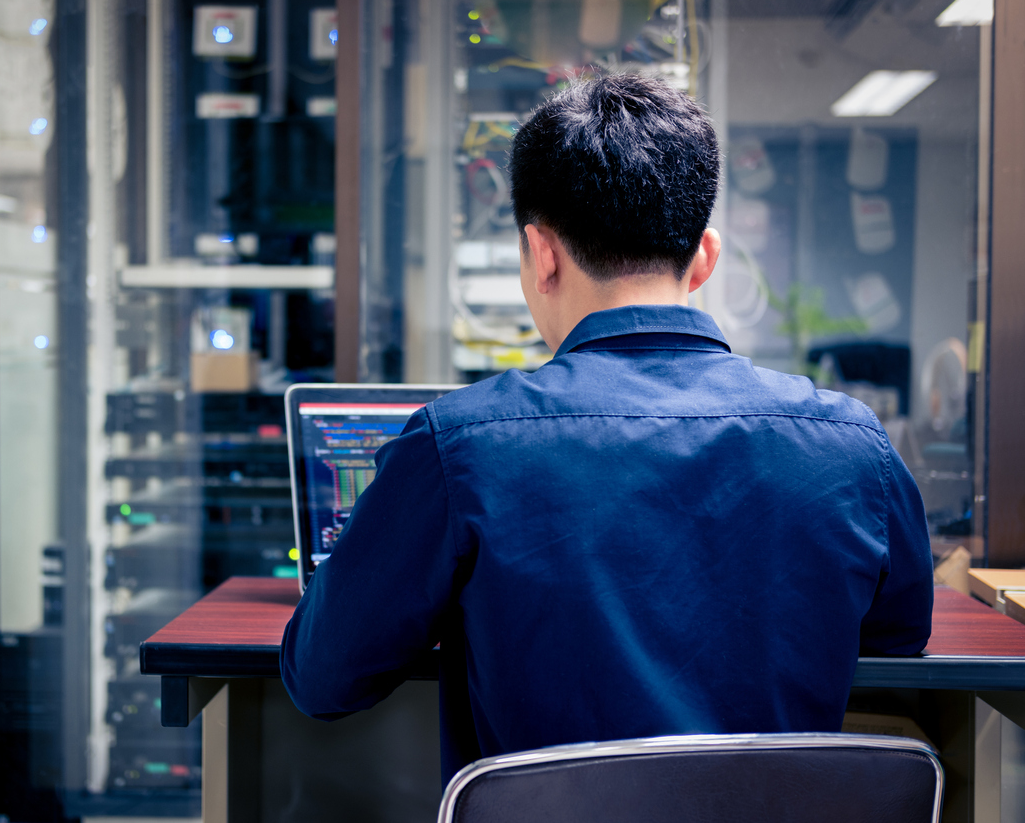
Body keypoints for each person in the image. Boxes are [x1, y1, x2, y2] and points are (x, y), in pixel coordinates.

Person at [280, 74, 933, 788]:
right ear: (705, 257)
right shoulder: (852, 445)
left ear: (543, 254)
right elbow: (896, 640)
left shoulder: (460, 445)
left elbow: (323, 678)